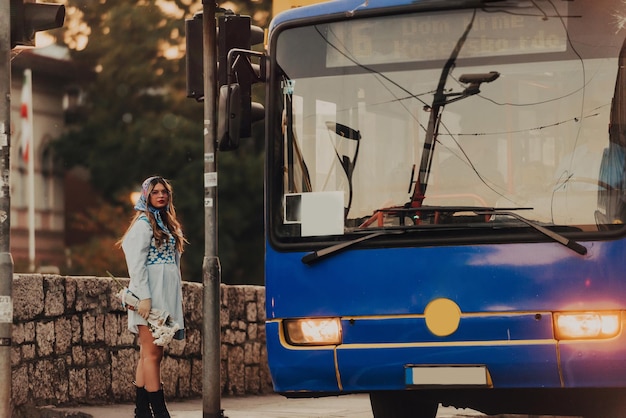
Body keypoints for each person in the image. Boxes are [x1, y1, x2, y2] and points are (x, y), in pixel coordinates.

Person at [117, 176, 187, 418]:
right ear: (146, 195)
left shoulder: (169, 224)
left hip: (165, 295)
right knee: (153, 352)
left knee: (148, 353)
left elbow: (173, 265)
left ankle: (141, 410)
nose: (161, 195)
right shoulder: (143, 224)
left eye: (164, 191)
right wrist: (144, 297)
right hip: (149, 296)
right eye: (155, 192)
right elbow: (136, 264)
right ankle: (159, 410)